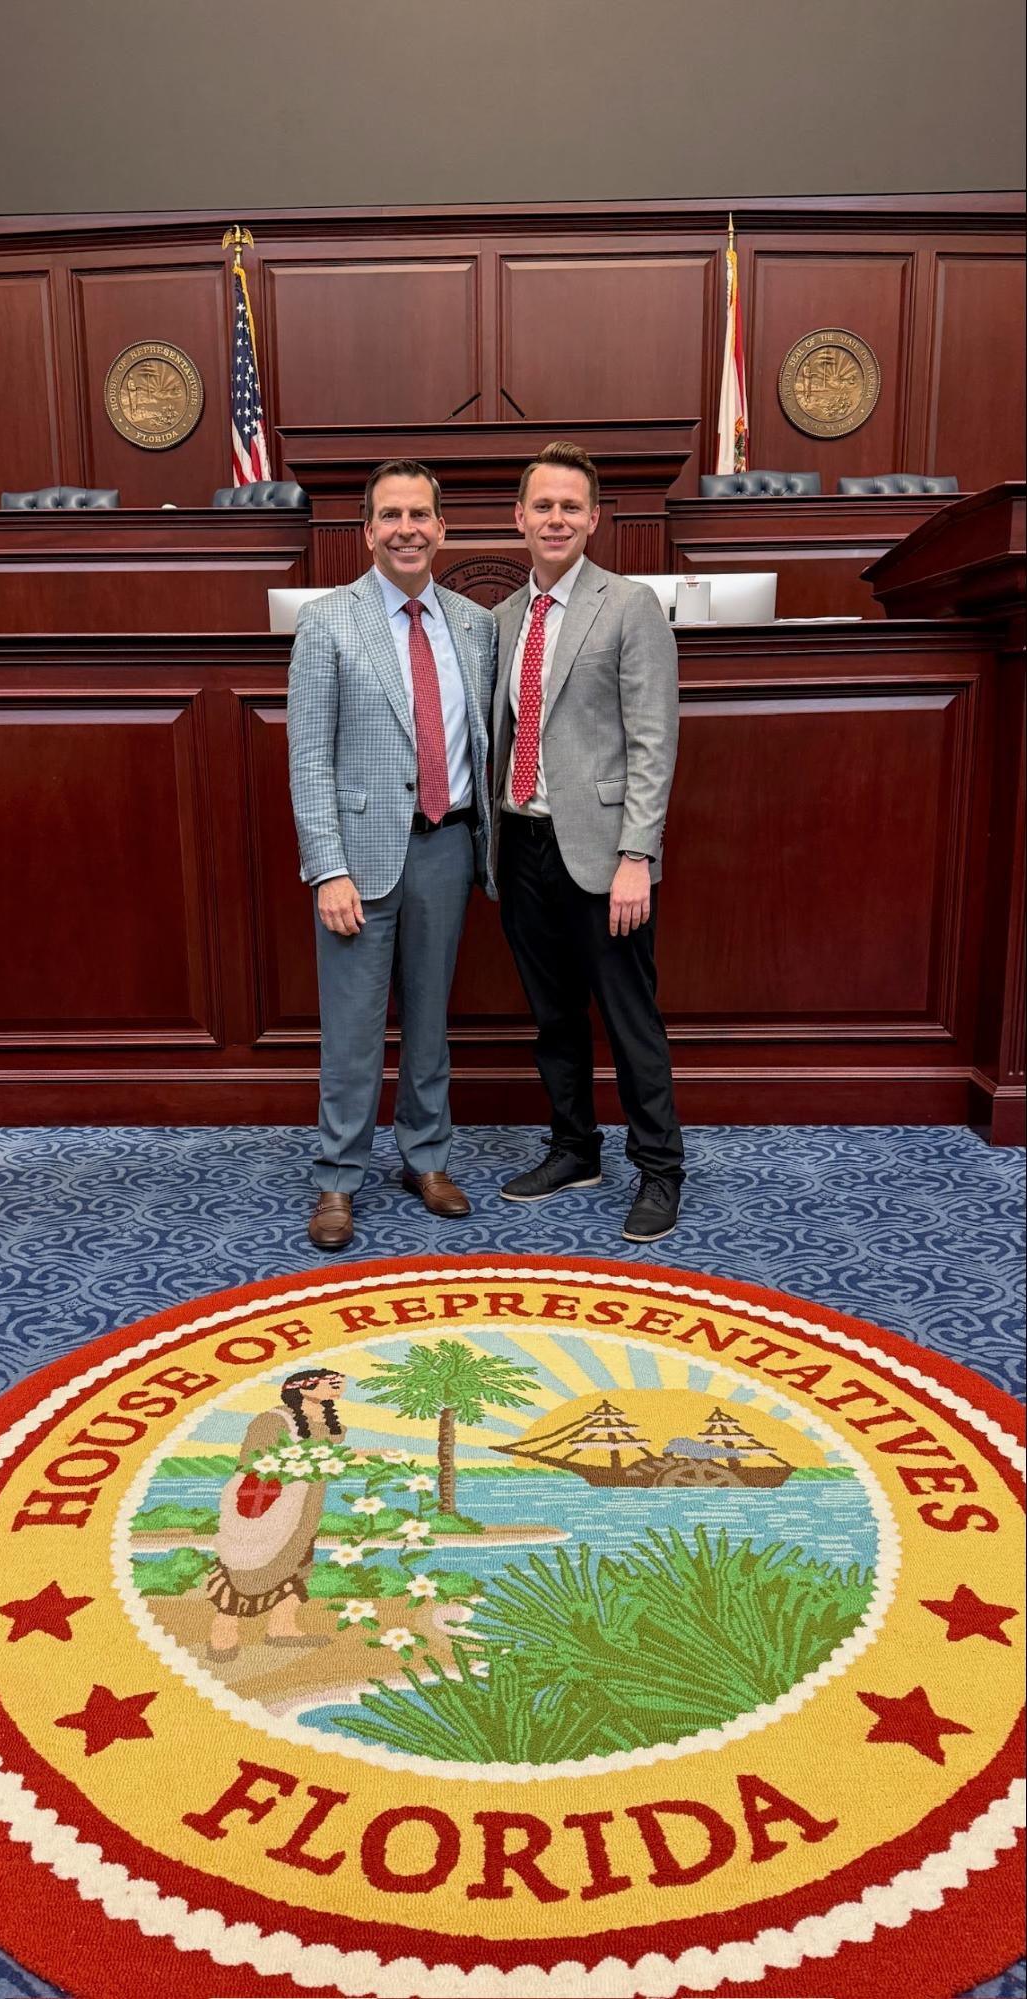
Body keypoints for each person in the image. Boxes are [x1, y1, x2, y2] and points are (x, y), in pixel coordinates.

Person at [287, 460, 496, 1250]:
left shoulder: (474, 625)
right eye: (391, 515)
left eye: (419, 515)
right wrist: (327, 868)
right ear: (367, 530)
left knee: (431, 1021)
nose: (406, 529)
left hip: (448, 845)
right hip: (360, 858)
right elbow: (310, 758)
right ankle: (338, 1177)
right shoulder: (328, 622)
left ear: (442, 527)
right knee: (352, 1030)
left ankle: (427, 1159)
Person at [491, 440, 685, 1242]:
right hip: (522, 845)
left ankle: (661, 1169)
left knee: (630, 1018)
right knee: (553, 1017)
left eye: (571, 506)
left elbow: (654, 741)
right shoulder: (504, 618)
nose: (556, 518)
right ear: (519, 518)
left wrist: (638, 855)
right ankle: (575, 1148)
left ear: (595, 518)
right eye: (543, 505)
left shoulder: (630, 605)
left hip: (606, 855)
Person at [206, 1368, 347, 1659]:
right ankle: (224, 1632)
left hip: (305, 1506)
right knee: (249, 1562)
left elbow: (326, 1456)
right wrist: (301, 1462)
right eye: (330, 1382)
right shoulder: (273, 1420)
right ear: (304, 1387)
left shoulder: (325, 1422)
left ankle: (282, 1627)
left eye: (339, 1383)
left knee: (297, 1560)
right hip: (270, 1505)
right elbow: (253, 1462)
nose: (337, 1386)